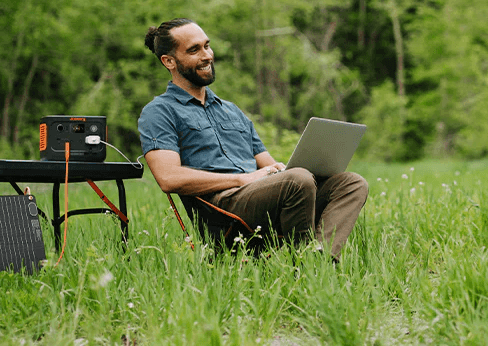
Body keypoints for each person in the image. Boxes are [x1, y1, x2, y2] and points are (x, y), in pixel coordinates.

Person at [137, 18, 369, 261]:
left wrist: (291, 167)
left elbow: (269, 163)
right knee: (298, 179)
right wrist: (242, 178)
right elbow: (168, 178)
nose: (207, 55)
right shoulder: (159, 111)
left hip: (260, 196)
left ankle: (320, 259)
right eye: (194, 50)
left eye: (207, 46)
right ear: (169, 61)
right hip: (223, 209)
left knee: (351, 183)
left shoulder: (230, 110)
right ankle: (303, 265)